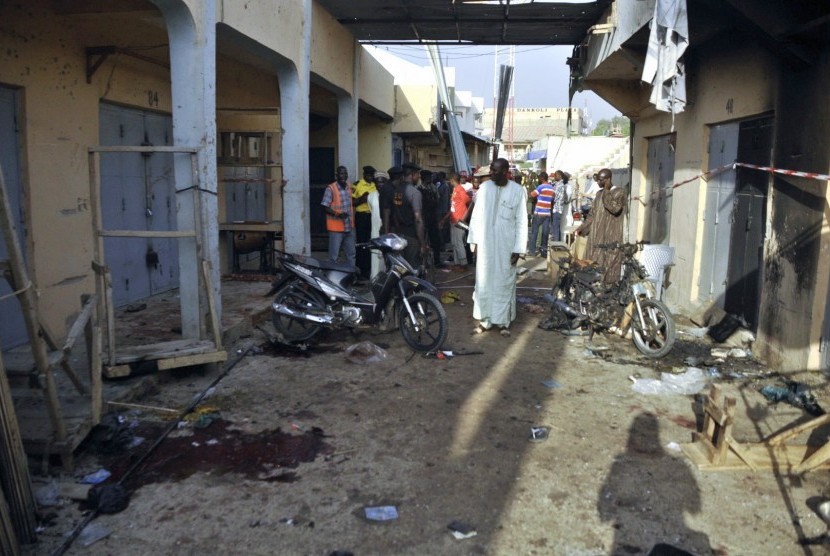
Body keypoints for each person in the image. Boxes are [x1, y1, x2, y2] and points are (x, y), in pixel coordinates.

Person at [467, 158, 528, 337]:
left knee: (504, 282)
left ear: (505, 171)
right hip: (486, 245)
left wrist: (518, 248)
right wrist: (475, 242)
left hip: (506, 245)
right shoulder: (485, 189)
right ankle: (485, 320)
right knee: (484, 282)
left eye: (495, 170)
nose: (491, 173)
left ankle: (503, 322)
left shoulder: (517, 191)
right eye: (491, 170)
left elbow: (522, 222)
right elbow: (476, 217)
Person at [576, 167, 627, 284]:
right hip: (596, 237)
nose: (598, 183)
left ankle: (609, 292)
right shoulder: (599, 194)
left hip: (610, 237)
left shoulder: (619, 192)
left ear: (608, 179)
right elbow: (592, 215)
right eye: (598, 180)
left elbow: (614, 208)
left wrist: (607, 189)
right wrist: (582, 228)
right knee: (592, 264)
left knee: (610, 265)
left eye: (601, 180)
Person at [382, 162, 427, 267]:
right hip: (411, 237)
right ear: (412, 175)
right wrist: (422, 243)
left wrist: (387, 232)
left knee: (400, 267)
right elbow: (418, 219)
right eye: (418, 175)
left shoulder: (396, 190)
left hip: (398, 235)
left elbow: (389, 212)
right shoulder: (414, 193)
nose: (419, 178)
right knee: (412, 268)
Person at [321, 165, 356, 268]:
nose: (343, 176)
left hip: (349, 226)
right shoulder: (331, 188)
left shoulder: (349, 187)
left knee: (351, 254)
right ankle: (332, 279)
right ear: (336, 175)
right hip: (336, 228)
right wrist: (337, 214)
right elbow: (324, 206)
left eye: (345, 173)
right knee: (334, 256)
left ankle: (350, 277)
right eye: (341, 173)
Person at [351, 165, 377, 279]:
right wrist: (362, 198)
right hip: (361, 216)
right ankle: (360, 270)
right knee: (361, 243)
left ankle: (369, 269)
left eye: (372, 176)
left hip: (373, 216)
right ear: (364, 175)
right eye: (368, 175)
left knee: (371, 242)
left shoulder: (375, 185)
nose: (371, 178)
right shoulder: (357, 185)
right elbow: (353, 203)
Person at [527, 172, 554, 257]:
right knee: (545, 233)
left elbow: (532, 195)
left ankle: (532, 251)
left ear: (542, 178)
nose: (538, 179)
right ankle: (544, 252)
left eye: (539, 178)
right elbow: (552, 199)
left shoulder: (540, 187)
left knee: (534, 231)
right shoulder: (551, 188)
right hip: (547, 213)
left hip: (539, 212)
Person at [447, 172, 470, 268]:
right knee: (454, 242)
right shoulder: (455, 189)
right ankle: (457, 263)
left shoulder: (460, 190)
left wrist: (463, 218)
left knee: (459, 242)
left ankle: (463, 264)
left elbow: (468, 201)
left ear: (452, 180)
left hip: (459, 220)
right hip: (453, 219)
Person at [369, 170, 387, 278]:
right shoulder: (370, 196)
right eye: (377, 182)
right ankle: (375, 280)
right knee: (375, 257)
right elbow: (372, 211)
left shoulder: (391, 195)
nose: (379, 184)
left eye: (382, 182)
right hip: (375, 231)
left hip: (387, 230)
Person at [550, 169, 570, 244]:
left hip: (557, 209)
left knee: (556, 228)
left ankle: (556, 244)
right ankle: (556, 243)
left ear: (560, 176)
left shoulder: (561, 185)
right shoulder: (557, 184)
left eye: (556, 175)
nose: (554, 177)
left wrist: (550, 197)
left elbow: (557, 197)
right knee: (555, 227)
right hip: (555, 208)